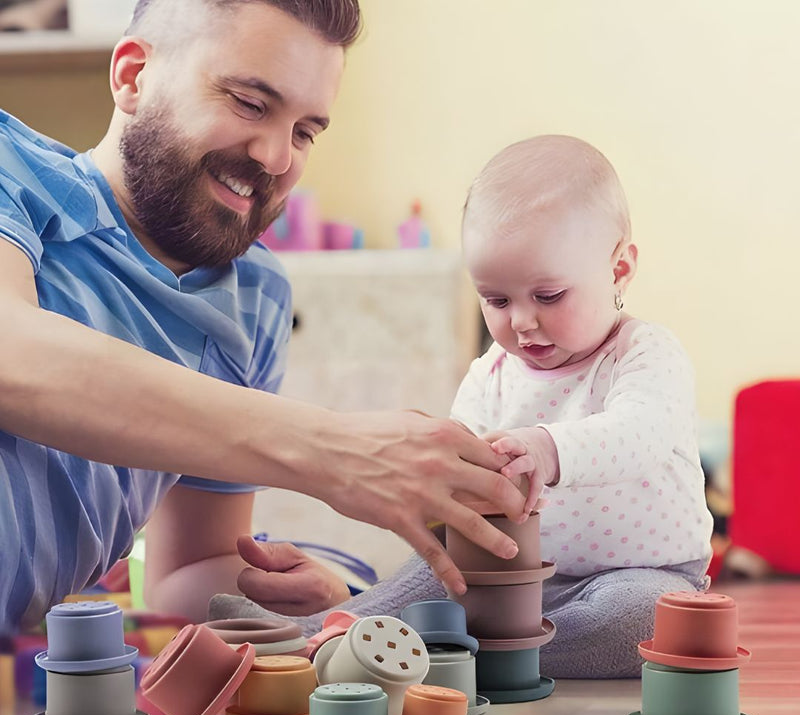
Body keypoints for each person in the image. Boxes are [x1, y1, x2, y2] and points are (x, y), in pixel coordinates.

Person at [0, 0, 528, 637]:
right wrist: (335, 450)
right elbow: (13, 356)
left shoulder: (254, 296)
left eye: (306, 131)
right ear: (133, 76)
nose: (278, 157)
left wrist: (307, 594)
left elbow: (186, 572)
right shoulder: (13, 170)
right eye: (251, 103)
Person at [211, 135, 714, 678]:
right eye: (496, 300)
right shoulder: (490, 372)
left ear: (617, 271)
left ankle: (456, 652)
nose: (521, 322)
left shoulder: (643, 353)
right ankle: (325, 632)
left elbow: (641, 432)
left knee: (644, 621)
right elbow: (453, 466)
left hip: (639, 573)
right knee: (439, 564)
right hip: (510, 575)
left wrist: (546, 448)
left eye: (548, 296)